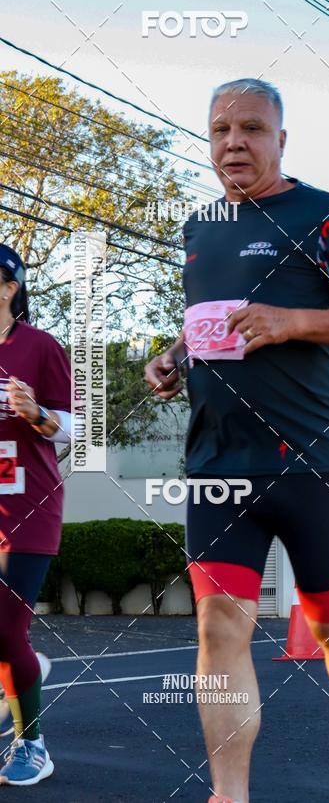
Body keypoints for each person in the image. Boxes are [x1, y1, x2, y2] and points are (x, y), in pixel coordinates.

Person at [144, 79, 329, 803]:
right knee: (218, 626)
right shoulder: (199, 227)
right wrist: (176, 358)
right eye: (221, 128)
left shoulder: (325, 216)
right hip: (217, 464)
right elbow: (214, 321)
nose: (234, 141)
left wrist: (291, 322)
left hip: (312, 461)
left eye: (252, 128)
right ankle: (229, 795)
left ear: (280, 140)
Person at [0, 244, 72, 786]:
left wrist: (39, 414)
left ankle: (33, 745)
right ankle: (22, 671)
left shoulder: (40, 348)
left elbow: (77, 430)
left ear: (9, 288)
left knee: (5, 631)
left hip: (28, 509)